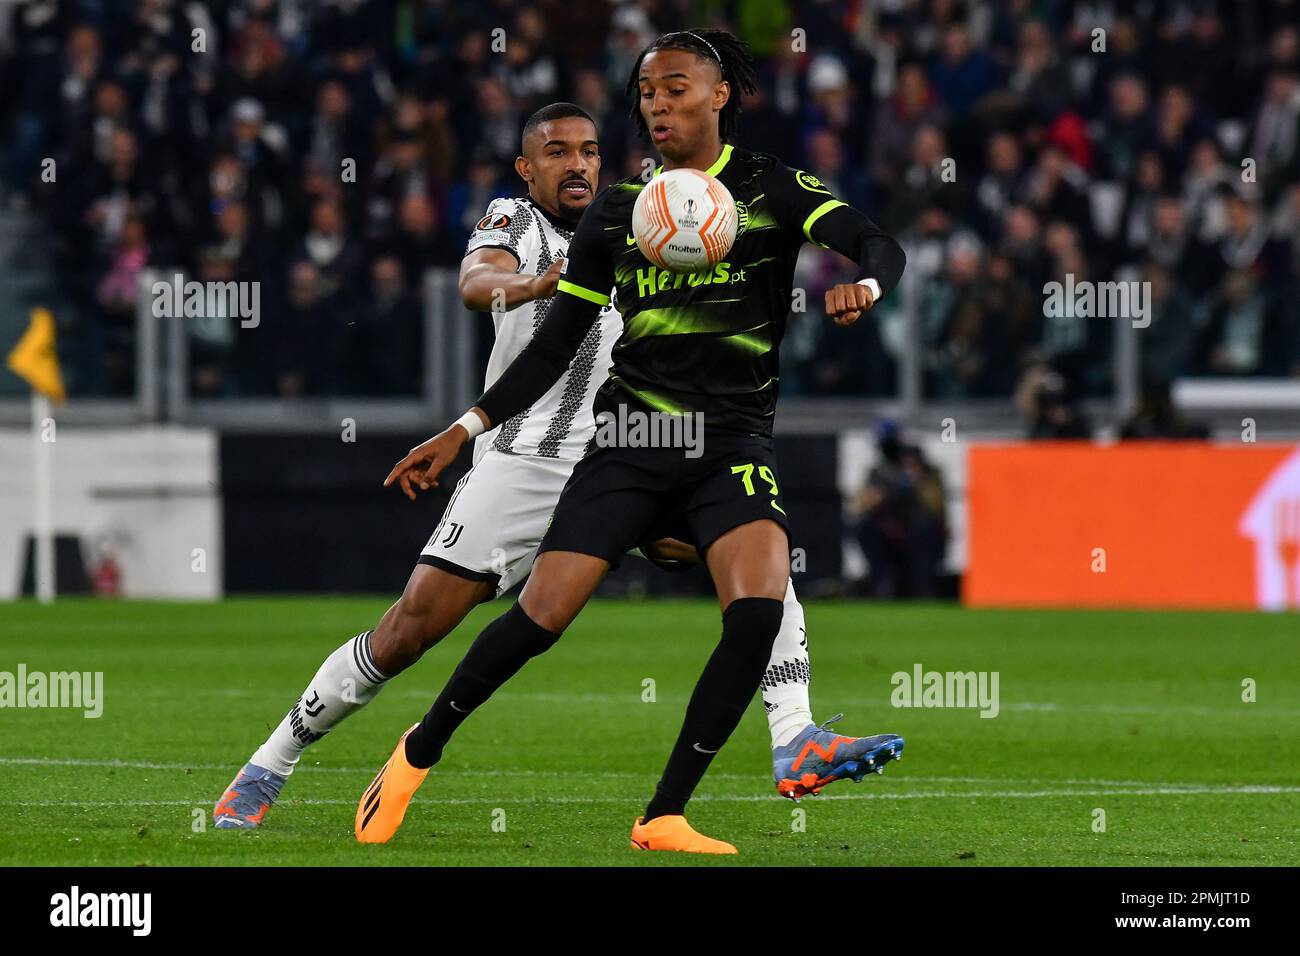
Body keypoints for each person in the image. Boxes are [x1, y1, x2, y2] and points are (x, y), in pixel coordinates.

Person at [213, 100, 892, 831]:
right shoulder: (513, 222)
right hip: (526, 460)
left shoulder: (651, 215)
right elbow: (479, 282)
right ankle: (266, 767)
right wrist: (532, 288)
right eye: (559, 152)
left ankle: (794, 735)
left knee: (760, 559)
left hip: (634, 450)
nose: (578, 165)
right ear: (526, 168)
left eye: (590, 151)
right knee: (408, 631)